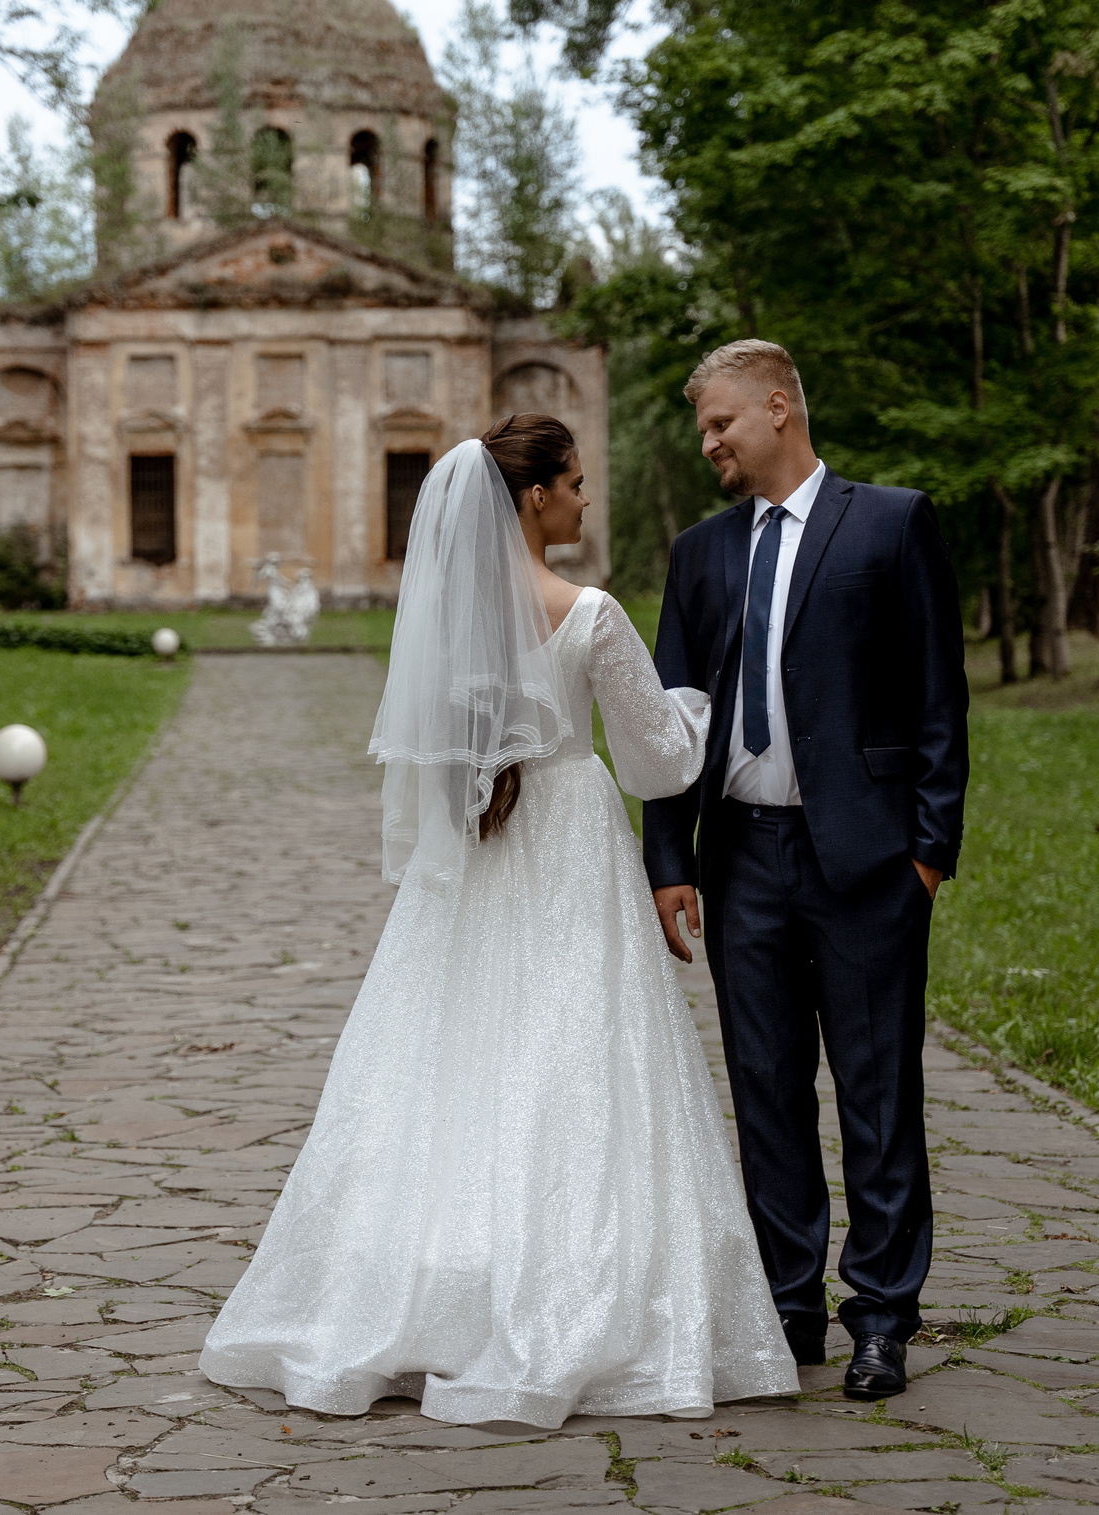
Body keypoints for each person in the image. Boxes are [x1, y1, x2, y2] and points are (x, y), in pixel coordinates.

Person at [201, 415, 797, 1426]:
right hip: (569, 842)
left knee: (459, 1050)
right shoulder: (589, 612)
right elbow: (658, 761)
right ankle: (574, 1282)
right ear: (533, 497)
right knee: (575, 1047)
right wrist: (697, 705)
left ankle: (431, 1284)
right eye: (575, 483)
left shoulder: (450, 615)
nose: (584, 499)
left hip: (477, 855)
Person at [642, 340, 969, 1401]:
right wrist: (669, 857)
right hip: (741, 860)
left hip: (867, 863)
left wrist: (927, 855)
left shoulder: (890, 524)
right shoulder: (699, 553)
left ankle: (880, 1314)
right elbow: (669, 720)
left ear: (778, 407)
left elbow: (937, 698)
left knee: (878, 1093)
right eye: (703, 428)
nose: (709, 443)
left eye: (721, 423)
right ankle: (788, 1310)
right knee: (767, 1091)